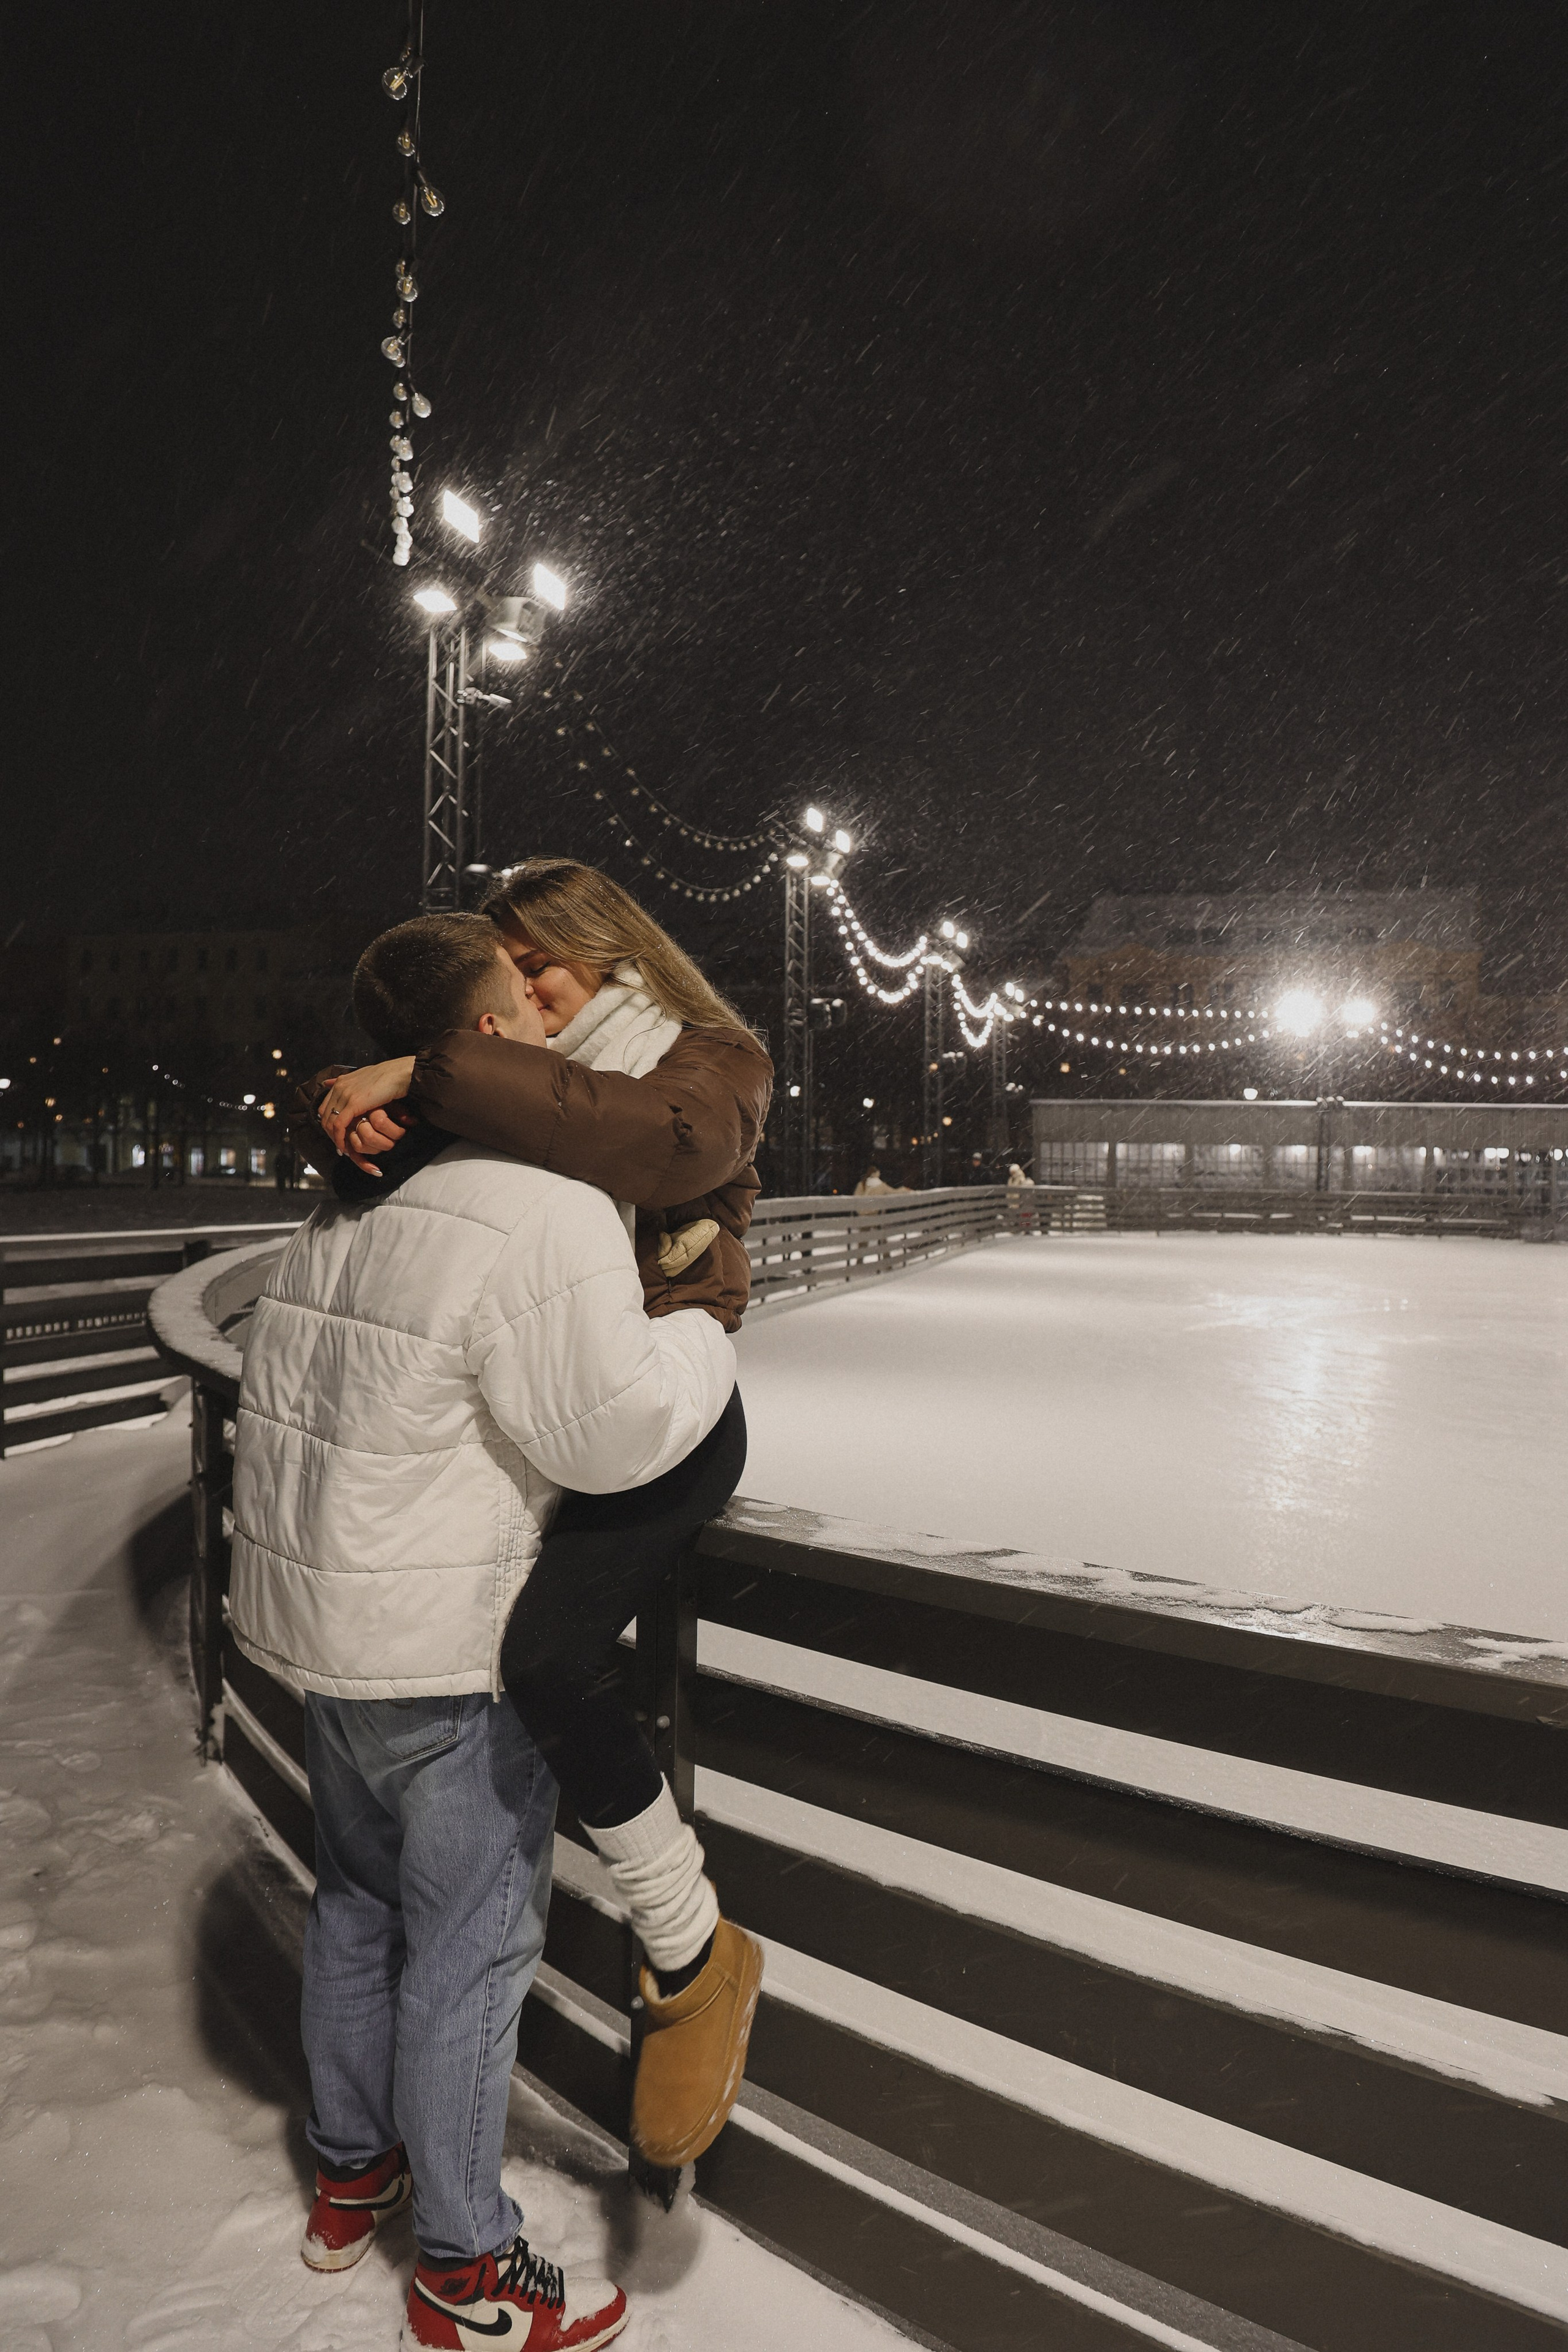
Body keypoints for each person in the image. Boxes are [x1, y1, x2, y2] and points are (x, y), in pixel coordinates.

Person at [230, 911, 741, 2350]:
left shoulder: (346, 1204)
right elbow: (610, 1433)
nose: (547, 1013)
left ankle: (352, 2176)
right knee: (469, 1954)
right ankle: (467, 2272)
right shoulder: (539, 1208)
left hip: (331, 1635)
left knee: (356, 1906)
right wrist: (699, 1332)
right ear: (492, 1035)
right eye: (524, 991)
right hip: (448, 1652)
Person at [309, 859, 771, 2173]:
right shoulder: (503, 1074)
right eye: (505, 974)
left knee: (546, 1657)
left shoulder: (712, 1059)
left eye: (536, 965)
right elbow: (384, 1176)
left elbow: (663, 1142)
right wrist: (351, 1104)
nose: (523, 991)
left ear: (606, 951)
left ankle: (689, 1951)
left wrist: (427, 1070)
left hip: (671, 1397)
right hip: (550, 1395)